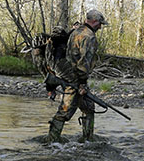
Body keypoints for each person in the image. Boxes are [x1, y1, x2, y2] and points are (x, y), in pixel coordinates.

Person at [46, 9, 107, 142]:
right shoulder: (89, 36)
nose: (100, 26)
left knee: (89, 107)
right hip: (75, 79)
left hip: (69, 74)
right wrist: (82, 83)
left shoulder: (76, 31)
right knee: (65, 110)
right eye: (99, 23)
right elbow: (84, 62)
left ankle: (87, 139)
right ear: (94, 21)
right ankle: (51, 141)